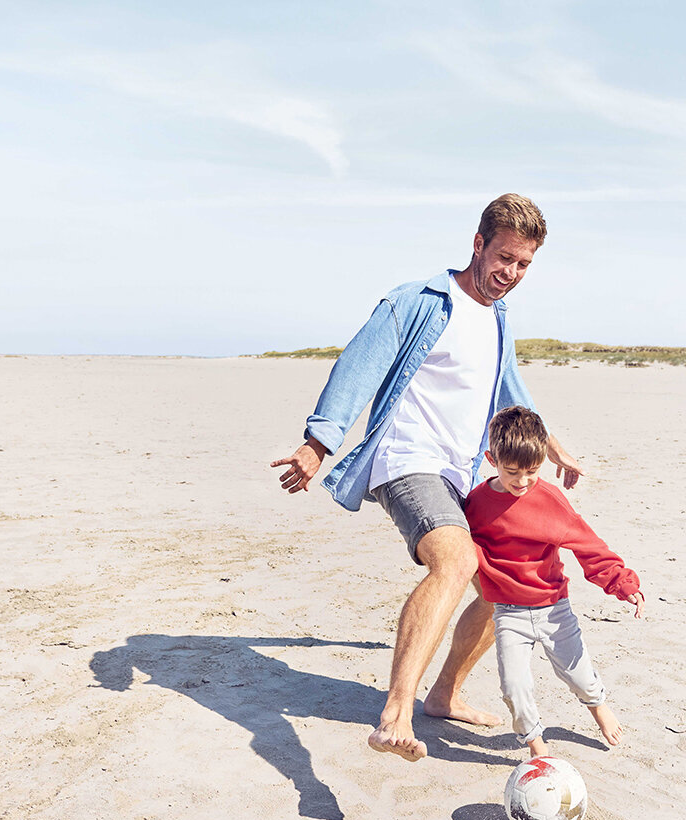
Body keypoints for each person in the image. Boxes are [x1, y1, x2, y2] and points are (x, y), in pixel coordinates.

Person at [269, 193, 586, 762]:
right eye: (504, 258)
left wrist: (554, 447)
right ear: (478, 243)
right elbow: (358, 365)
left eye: (523, 265)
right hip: (406, 459)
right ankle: (396, 711)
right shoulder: (419, 302)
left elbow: (509, 387)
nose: (510, 274)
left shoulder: (499, 318)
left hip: (461, 471)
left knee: (506, 583)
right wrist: (319, 443)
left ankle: (444, 695)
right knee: (456, 561)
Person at [466, 405, 645, 755]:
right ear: (491, 459)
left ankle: (598, 706)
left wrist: (623, 585)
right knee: (513, 686)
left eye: (532, 471)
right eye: (512, 471)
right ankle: (535, 744)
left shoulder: (549, 500)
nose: (522, 481)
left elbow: (587, 545)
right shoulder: (475, 503)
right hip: (508, 613)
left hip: (553, 609)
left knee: (577, 672)